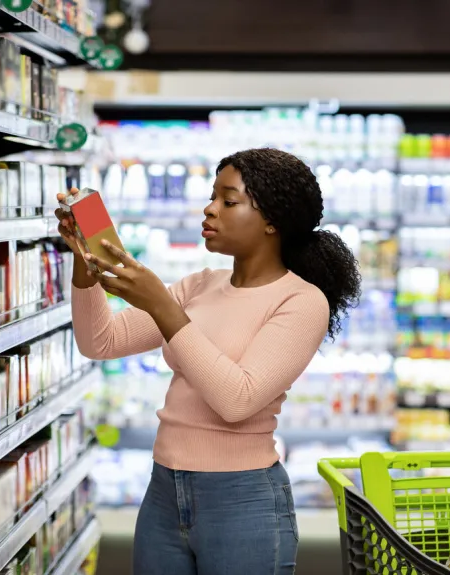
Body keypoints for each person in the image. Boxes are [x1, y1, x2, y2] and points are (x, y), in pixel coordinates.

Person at [56, 147, 361, 575]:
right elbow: (101, 341)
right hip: (164, 489)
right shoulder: (199, 285)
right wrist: (85, 265)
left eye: (228, 201)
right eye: (212, 196)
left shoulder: (302, 301)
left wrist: (164, 308)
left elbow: (237, 399)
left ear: (272, 220)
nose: (210, 209)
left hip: (242, 500)